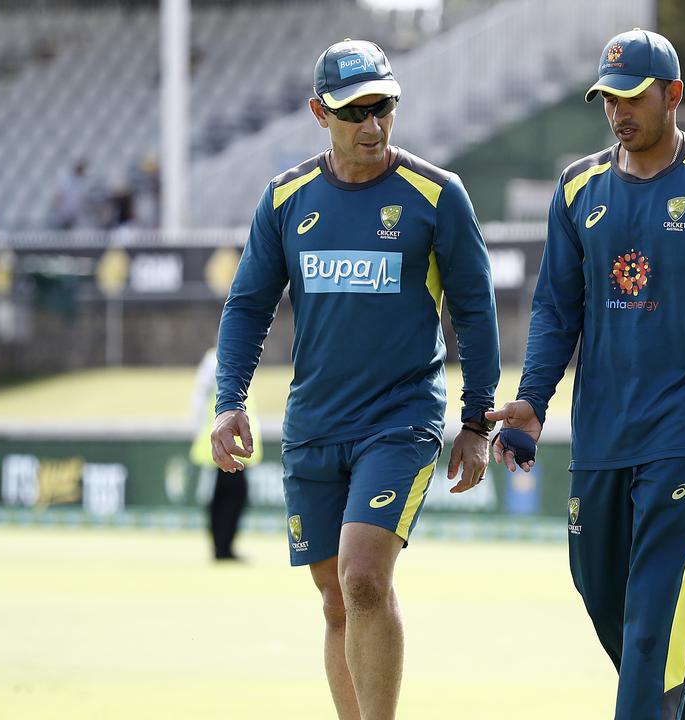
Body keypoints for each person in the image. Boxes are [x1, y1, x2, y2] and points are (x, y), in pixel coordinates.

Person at [487, 29, 685, 720]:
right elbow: (556, 308)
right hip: (600, 439)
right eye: (607, 99)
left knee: (654, 624)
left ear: (673, 95)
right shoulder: (578, 187)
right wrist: (532, 402)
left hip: (684, 438)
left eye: (632, 96)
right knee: (603, 601)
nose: (618, 111)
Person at [210, 38, 500, 720]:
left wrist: (478, 421)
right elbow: (248, 306)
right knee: (336, 599)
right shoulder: (285, 199)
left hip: (401, 422)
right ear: (320, 113)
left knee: (365, 578)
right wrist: (230, 402)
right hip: (314, 428)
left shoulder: (438, 195)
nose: (373, 126)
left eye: (384, 108)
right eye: (355, 112)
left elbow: (476, 312)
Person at [189, 346, 257, 561]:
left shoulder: (232, 359)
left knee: (227, 498)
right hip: (220, 443)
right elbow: (200, 398)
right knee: (224, 498)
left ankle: (223, 547)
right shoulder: (216, 360)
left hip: (229, 442)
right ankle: (222, 548)